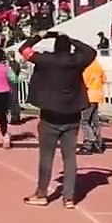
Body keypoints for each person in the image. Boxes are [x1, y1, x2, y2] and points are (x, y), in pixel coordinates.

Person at [19, 30, 96, 208]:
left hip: (50, 116)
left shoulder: (45, 60)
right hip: (72, 116)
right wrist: (71, 38)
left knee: (46, 157)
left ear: (54, 47)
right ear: (69, 48)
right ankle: (68, 198)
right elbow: (91, 52)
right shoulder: (77, 61)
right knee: (70, 158)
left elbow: (24, 49)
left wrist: (41, 36)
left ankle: (42, 194)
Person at [79, 55, 107, 154]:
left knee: (84, 121)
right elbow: (104, 79)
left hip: (89, 96)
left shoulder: (86, 67)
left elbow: (83, 82)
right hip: (98, 95)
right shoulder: (97, 65)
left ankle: (89, 142)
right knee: (94, 122)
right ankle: (99, 143)